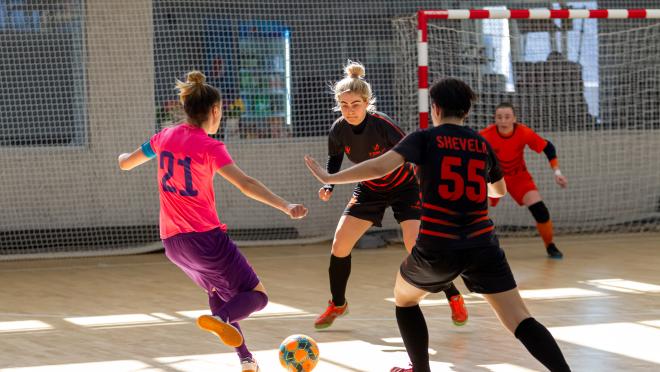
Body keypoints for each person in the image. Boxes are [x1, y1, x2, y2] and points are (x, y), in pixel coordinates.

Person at [304, 78, 571, 372]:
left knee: (404, 300)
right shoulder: (482, 143)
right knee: (521, 320)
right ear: (466, 112)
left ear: (435, 108)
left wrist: (329, 178)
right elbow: (499, 191)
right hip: (483, 245)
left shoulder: (425, 139)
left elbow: (380, 166)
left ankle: (421, 369)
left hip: (439, 245)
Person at [118, 71, 307, 372]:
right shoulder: (209, 146)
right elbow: (245, 183)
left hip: (172, 244)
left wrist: (122, 158)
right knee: (257, 297)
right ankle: (221, 321)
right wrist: (285, 205)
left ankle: (246, 359)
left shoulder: (164, 136)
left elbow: (127, 163)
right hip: (206, 239)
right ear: (215, 111)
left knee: (218, 293)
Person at [313, 61, 467, 330]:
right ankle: (338, 304)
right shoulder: (338, 129)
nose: (350, 110)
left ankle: (452, 294)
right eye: (344, 105)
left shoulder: (383, 125)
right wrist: (329, 185)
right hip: (370, 189)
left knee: (415, 246)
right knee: (340, 244)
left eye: (356, 104)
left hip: (404, 188)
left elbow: (412, 153)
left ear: (367, 102)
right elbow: (335, 160)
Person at [480, 102, 568, 258]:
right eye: (499, 117)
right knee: (477, 213)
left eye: (507, 117)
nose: (503, 121)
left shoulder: (523, 132)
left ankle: (550, 246)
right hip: (494, 178)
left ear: (514, 118)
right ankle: (477, 249)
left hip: (519, 177)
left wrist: (557, 172)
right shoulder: (486, 135)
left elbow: (548, 147)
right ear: (495, 119)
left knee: (540, 211)